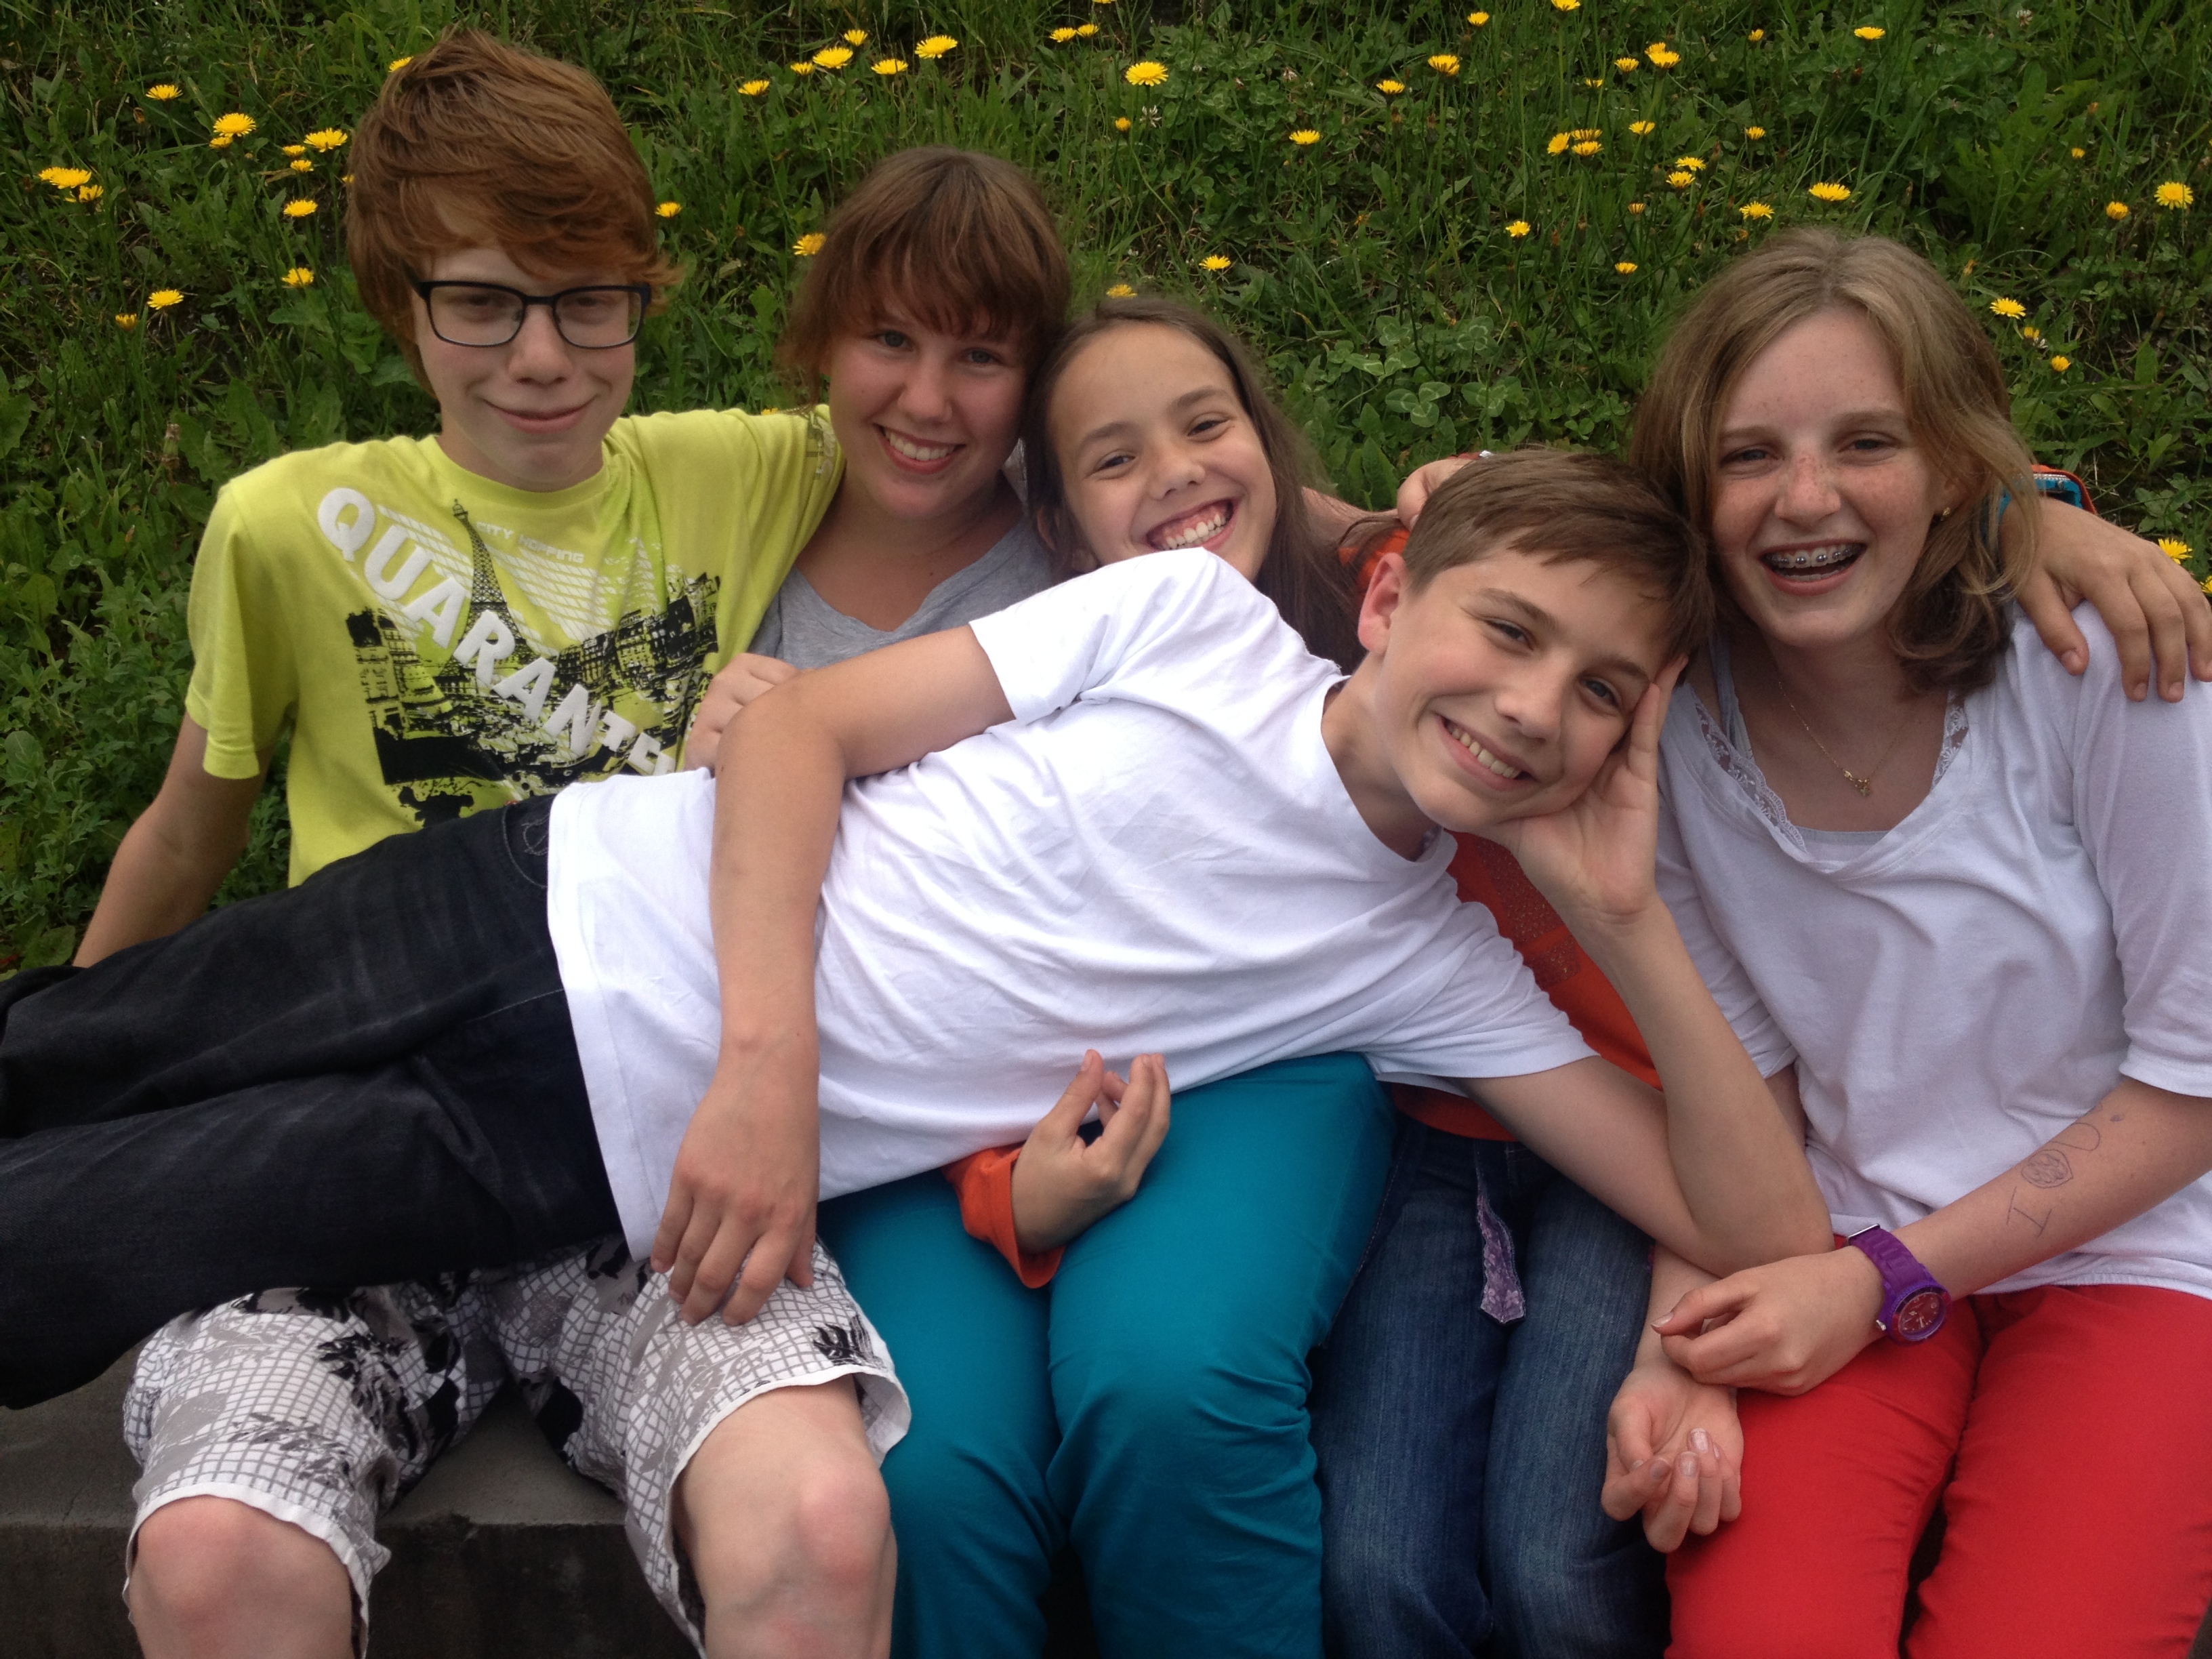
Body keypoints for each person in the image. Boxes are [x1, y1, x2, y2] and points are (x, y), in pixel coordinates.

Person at [46, 28, 1069, 1657]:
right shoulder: (286, 523)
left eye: (590, 301)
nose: (542, 357)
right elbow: (184, 837)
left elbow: (1021, 427)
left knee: (819, 1520)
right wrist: (81, 1104)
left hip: (646, 1172)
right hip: (351, 1152)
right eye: (482, 302)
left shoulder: (738, 472)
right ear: (398, 304)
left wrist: (1365, 524)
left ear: (641, 298)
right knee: (221, 1558)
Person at [1593, 227, 2212, 1656]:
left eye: (1867, 442)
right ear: (1688, 489)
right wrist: (1682, 1349)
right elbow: (1745, 1093)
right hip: (1831, 1245)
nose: (1805, 499)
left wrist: (1884, 1282)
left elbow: (2196, 1084)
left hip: (2136, 1248)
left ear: (1953, 470)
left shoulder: (2105, 664)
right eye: (1747, 457)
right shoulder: (1666, 729)